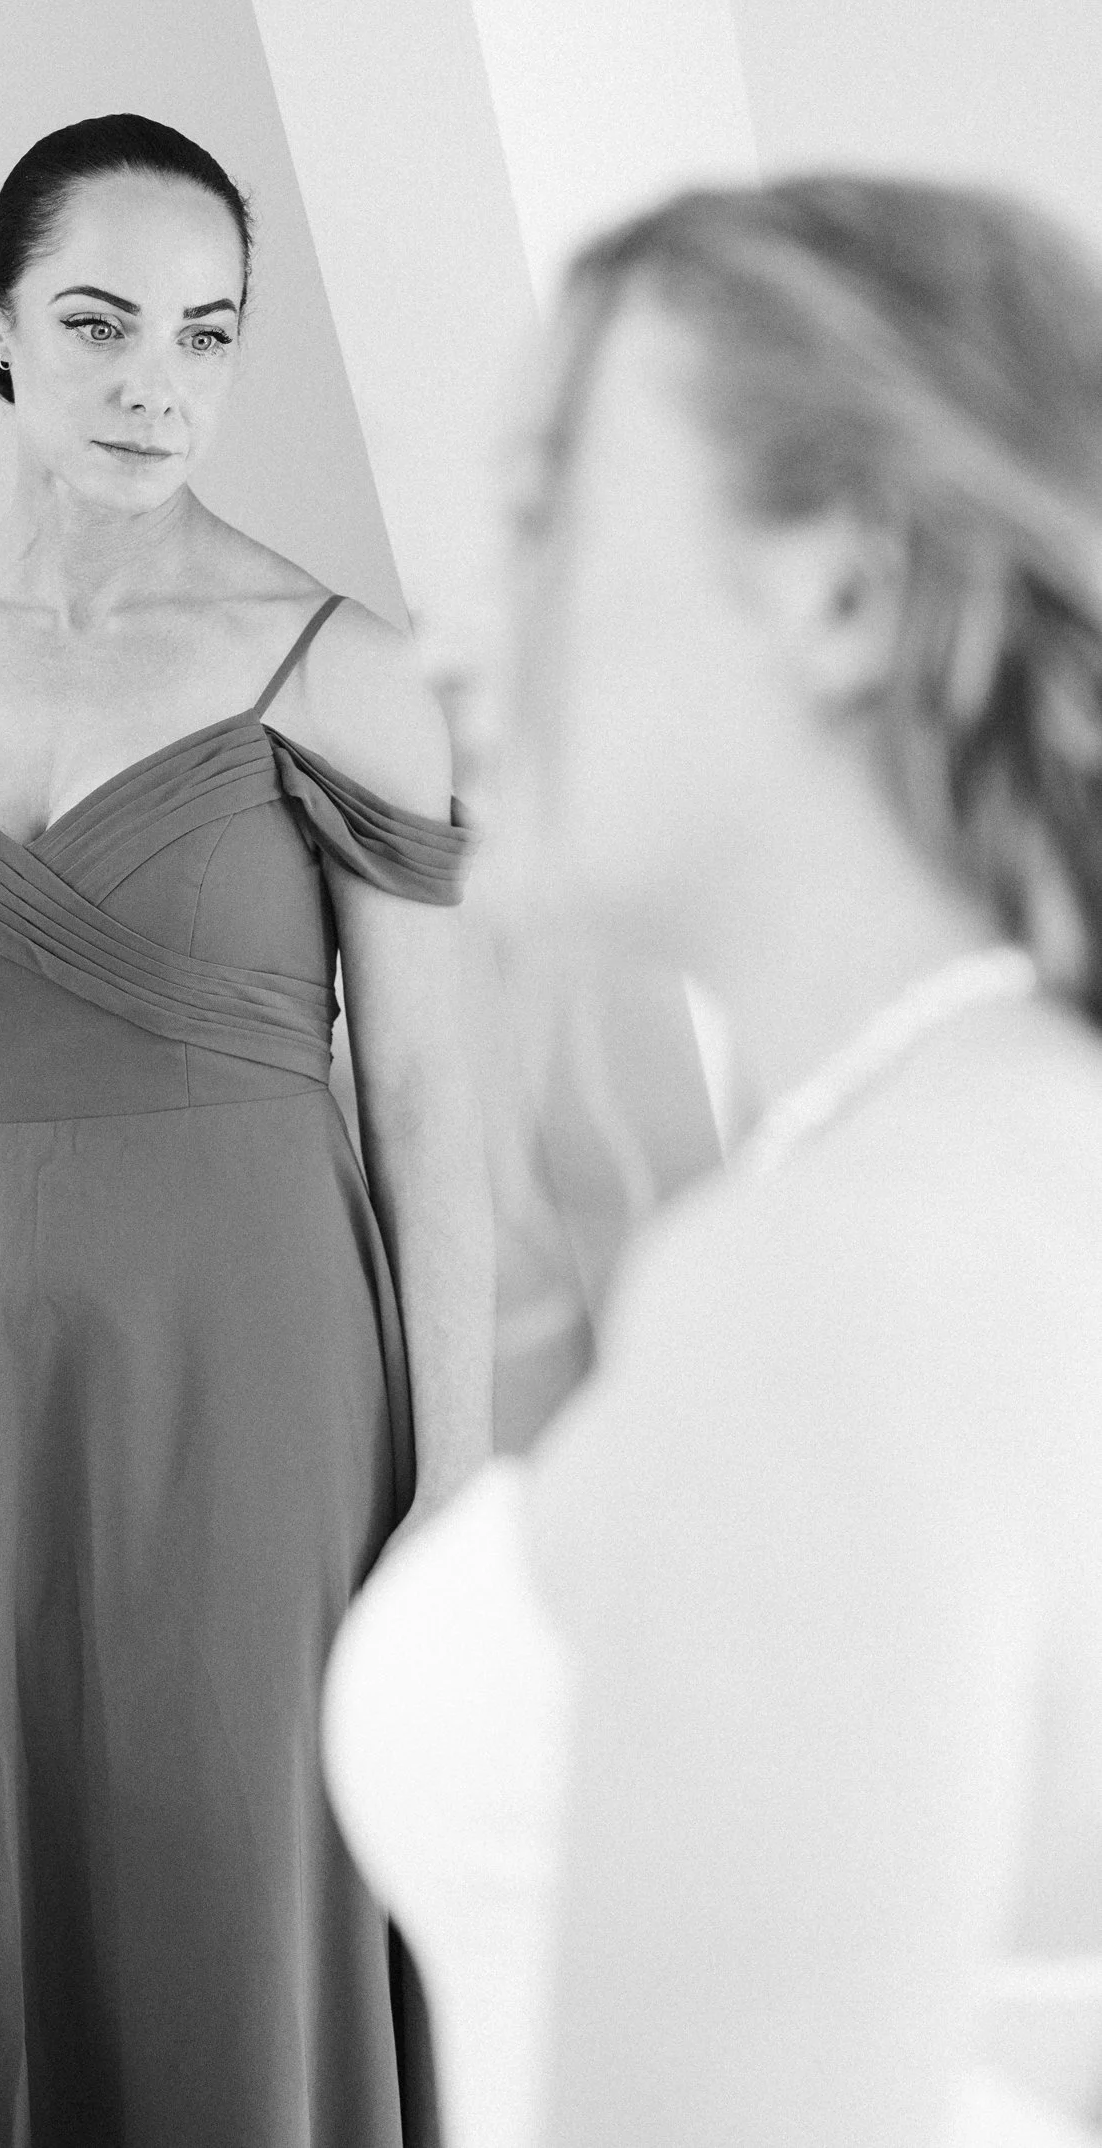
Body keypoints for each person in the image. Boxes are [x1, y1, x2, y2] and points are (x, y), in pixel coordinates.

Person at [0, 112, 495, 2147]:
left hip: (259, 1392)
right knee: (20, 1909)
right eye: (99, 319)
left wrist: (460, 1484)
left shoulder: (342, 668)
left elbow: (424, 1097)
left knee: (237, 1893)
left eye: (208, 333)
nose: (158, 379)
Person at [322, 174, 1102, 2147]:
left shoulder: (836, 1275)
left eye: (534, 511)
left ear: (838, 583)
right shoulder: (1001, 1147)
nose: (447, 627)